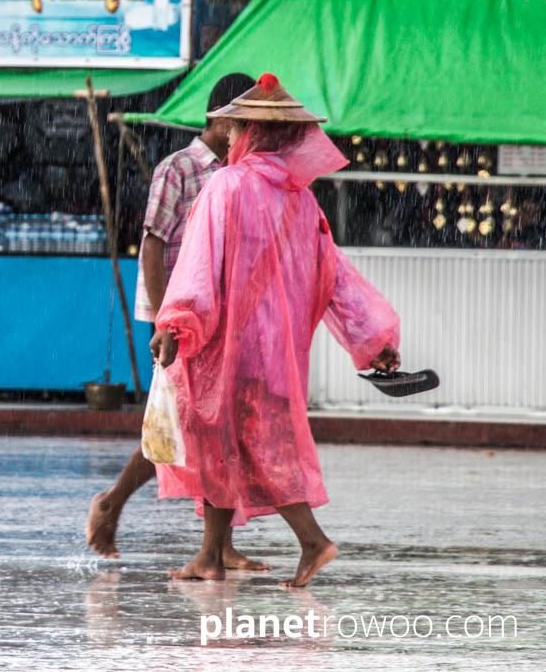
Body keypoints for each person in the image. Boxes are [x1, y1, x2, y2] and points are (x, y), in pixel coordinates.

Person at [150, 73, 401, 588]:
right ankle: (210, 557)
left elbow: (198, 266)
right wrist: (373, 341)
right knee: (233, 445)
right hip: (277, 352)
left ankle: (312, 540)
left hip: (227, 344)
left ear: (249, 132)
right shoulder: (301, 201)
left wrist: (174, 323)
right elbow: (337, 280)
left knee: (243, 445)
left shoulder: (227, 186)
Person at [87, 73, 265, 570]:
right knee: (180, 423)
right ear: (225, 118)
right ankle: (112, 502)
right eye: (250, 121)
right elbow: (153, 244)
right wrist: (168, 321)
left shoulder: (240, 172)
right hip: (182, 319)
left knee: (222, 426)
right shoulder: (180, 169)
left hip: (222, 318)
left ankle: (220, 546)